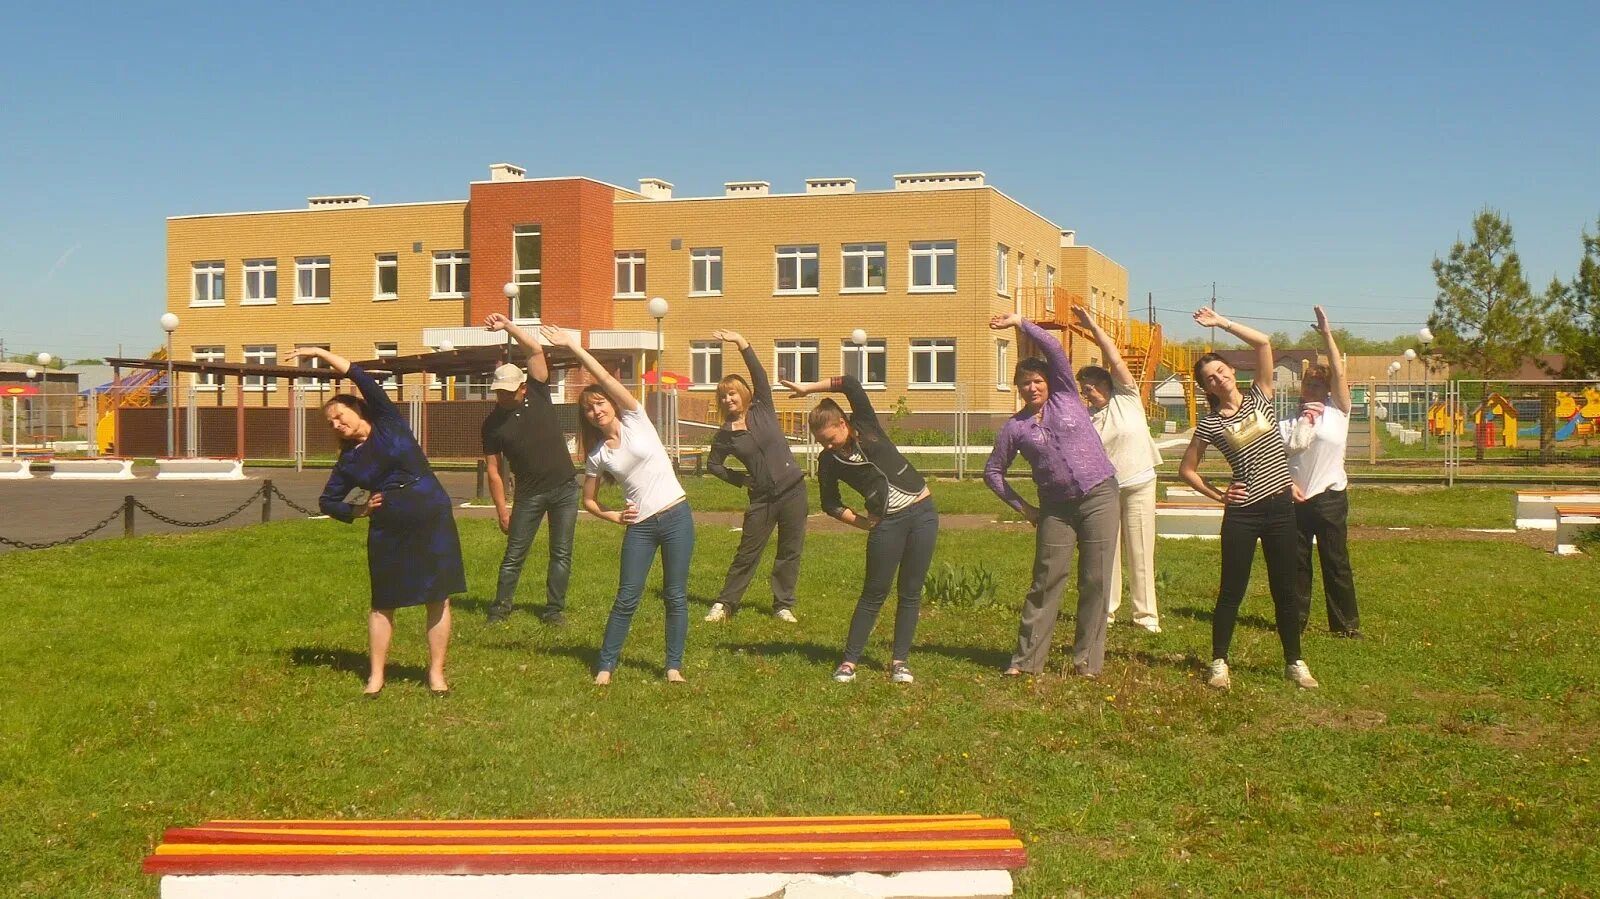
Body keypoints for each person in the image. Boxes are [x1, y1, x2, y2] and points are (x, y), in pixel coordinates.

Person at [290, 346, 464, 697]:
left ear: (357, 408)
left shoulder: (387, 422)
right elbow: (327, 500)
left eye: (340, 415)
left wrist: (320, 353)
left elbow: (358, 375)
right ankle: (376, 676)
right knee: (384, 601)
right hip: (388, 527)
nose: (337, 424)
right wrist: (358, 510)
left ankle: (436, 675)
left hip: (431, 512)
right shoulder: (348, 461)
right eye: (332, 423)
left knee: (438, 596)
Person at [541, 323, 693, 685]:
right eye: (589, 409)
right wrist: (613, 516)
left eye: (599, 403)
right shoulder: (596, 456)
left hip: (676, 517)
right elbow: (589, 500)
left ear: (610, 403)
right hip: (640, 526)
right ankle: (605, 666)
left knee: (675, 595)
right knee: (627, 596)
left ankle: (673, 666)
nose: (596, 411)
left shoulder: (637, 420)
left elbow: (605, 377)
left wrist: (574, 348)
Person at [1178, 308, 1319, 690]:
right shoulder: (1210, 422)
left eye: (1222, 371)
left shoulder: (1261, 396)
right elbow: (1186, 470)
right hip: (1242, 513)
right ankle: (1219, 662)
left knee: (1285, 590)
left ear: (1232, 372)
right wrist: (1220, 494)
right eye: (1210, 378)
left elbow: (1263, 343)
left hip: (1279, 509)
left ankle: (1295, 661)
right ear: (1206, 388)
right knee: (1231, 590)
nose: (1219, 379)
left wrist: (1221, 323)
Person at [985, 313, 1121, 679]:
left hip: (1100, 496)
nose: (1032, 387)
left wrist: (1019, 322)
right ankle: (1026, 661)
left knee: (1095, 579)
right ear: (1017, 389)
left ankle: (1087, 662)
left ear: (1049, 382)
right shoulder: (1015, 428)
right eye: (1025, 383)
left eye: (1037, 380)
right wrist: (1025, 508)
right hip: (1055, 509)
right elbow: (992, 473)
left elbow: (1055, 348)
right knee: (1046, 580)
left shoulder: (1066, 397)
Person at [782, 373, 936, 684]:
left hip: (923, 512)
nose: (828, 445)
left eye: (830, 438)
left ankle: (900, 662)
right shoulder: (829, 461)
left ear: (843, 423)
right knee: (873, 593)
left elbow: (851, 383)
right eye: (821, 442)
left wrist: (808, 388)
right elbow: (830, 503)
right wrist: (864, 523)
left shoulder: (866, 425)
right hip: (887, 522)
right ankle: (849, 662)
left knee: (910, 592)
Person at [480, 312, 579, 626]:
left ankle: (553, 610)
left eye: (509, 390)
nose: (504, 395)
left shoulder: (538, 392)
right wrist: (501, 509)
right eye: (499, 390)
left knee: (561, 552)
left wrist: (509, 326)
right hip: (529, 495)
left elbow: (535, 350)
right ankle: (500, 609)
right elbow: (494, 471)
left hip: (565, 488)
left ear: (523, 386)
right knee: (514, 555)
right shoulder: (492, 425)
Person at [704, 329, 807, 623]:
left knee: (789, 550)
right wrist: (741, 480)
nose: (728, 399)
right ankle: (725, 603)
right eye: (723, 396)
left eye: (732, 393)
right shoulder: (725, 435)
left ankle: (783, 604)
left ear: (744, 394)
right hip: (762, 498)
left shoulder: (763, 407)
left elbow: (759, 373)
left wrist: (741, 343)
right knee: (747, 552)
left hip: (793, 491)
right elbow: (714, 465)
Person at [1072, 306, 1164, 635]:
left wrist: (1093, 325)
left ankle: (1146, 617)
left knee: (1140, 550)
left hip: (1140, 483)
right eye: (1084, 389)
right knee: (1107, 551)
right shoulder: (1086, 420)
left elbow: (1115, 358)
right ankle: (1107, 611)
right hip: (1106, 490)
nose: (1089, 392)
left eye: (1093, 385)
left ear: (1107, 383)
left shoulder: (1128, 398)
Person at [1282, 305, 1361, 638]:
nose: (1312, 387)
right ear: (1301, 388)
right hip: (1296, 500)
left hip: (1329, 498)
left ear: (1328, 390)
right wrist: (1286, 484)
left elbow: (1341, 374)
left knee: (1336, 562)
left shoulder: (1337, 413)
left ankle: (1345, 626)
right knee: (1297, 565)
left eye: (1319, 384)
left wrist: (1327, 334)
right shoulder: (1288, 422)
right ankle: (1295, 623)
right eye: (1308, 383)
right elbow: (1275, 460)